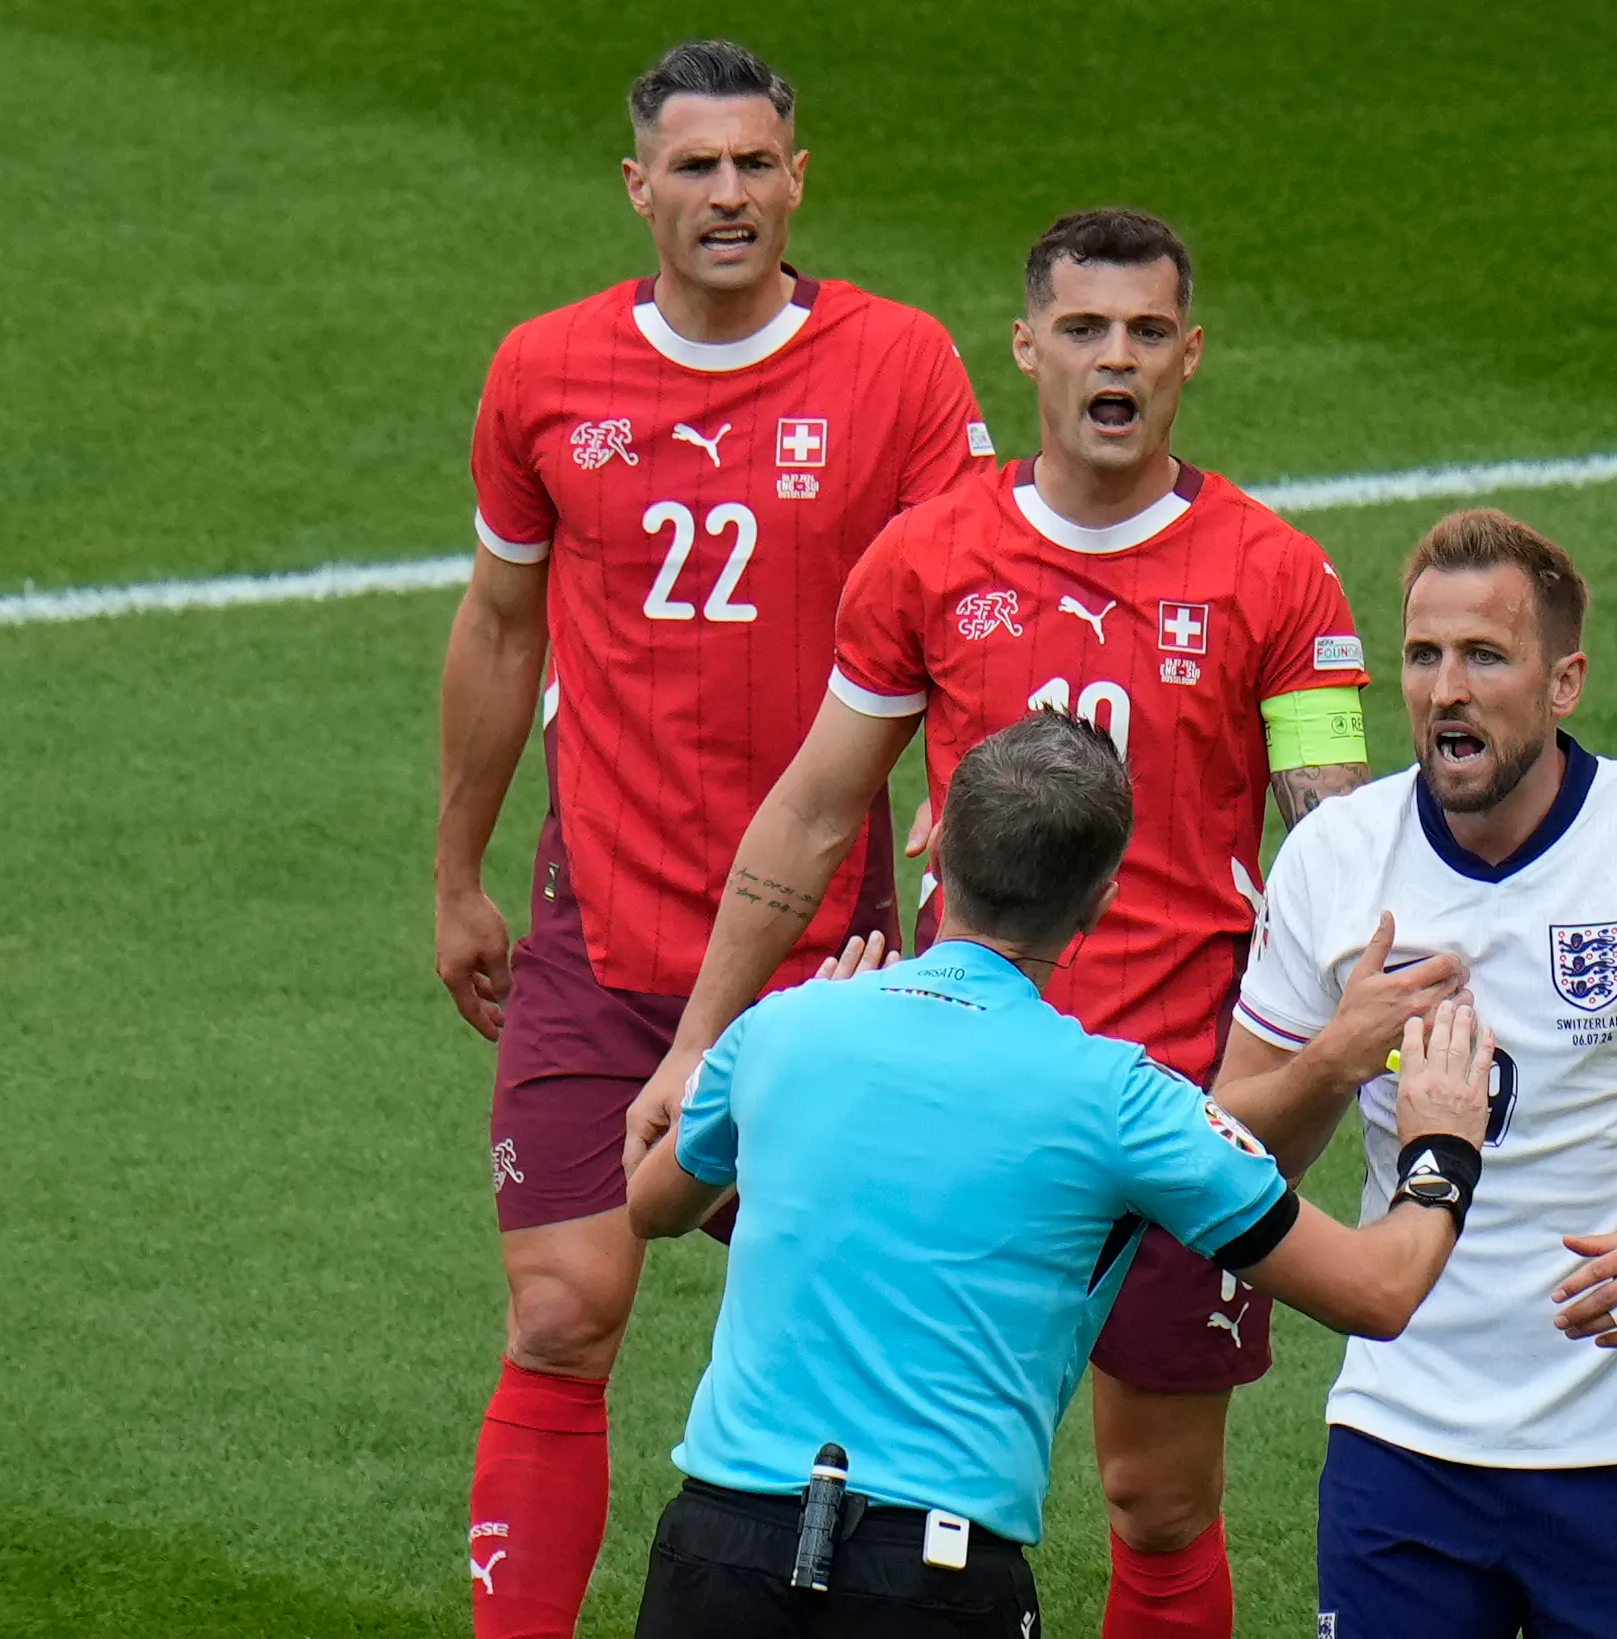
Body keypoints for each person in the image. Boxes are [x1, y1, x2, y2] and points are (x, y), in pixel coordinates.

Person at [625, 207, 1462, 1639]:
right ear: (1028, 350)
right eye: (1084, 329)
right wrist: (698, 1039)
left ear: (1190, 355)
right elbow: (818, 805)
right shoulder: (925, 559)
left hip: (1187, 1100)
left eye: (1146, 332)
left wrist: (1351, 1051)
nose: (1115, 359)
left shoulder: (1275, 573)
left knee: (1157, 1497)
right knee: (910, 1425)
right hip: (971, 1082)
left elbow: (1329, 831)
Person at [434, 40, 992, 1638]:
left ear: (798, 179)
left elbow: (964, 620)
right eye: (697, 167)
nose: (729, 194)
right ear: (640, 189)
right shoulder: (544, 373)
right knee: (561, 1307)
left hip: (828, 951)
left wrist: (963, 872)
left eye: (756, 164)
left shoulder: (898, 368)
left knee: (837, 1339)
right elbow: (497, 625)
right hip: (595, 926)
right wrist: (458, 871)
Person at [625, 709, 1496, 1638]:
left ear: (938, 851)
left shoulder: (784, 1026)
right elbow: (1381, 1288)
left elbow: (652, 1204)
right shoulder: (1124, 1100)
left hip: (713, 1557)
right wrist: (1442, 1145)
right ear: (1100, 904)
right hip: (934, 1584)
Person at [1220, 509, 1617, 1638]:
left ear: (1565, 681)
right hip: (1401, 1434)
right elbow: (1230, 1149)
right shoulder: (1335, 859)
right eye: (1424, 657)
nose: (1445, 691)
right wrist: (1337, 1052)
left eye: (1486, 655)